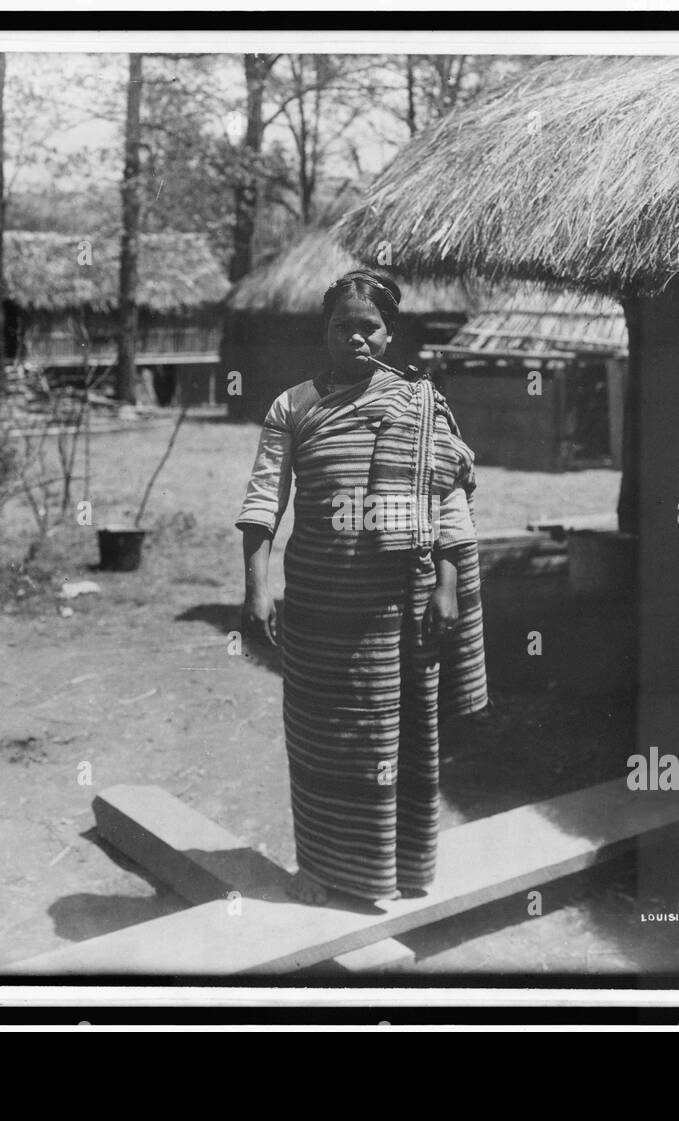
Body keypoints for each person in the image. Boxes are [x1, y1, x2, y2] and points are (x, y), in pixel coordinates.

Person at [236, 269, 488, 905]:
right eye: (343, 326)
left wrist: (449, 585)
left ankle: (400, 872)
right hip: (321, 602)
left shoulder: (420, 405)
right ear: (324, 332)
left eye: (368, 327)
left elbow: (449, 502)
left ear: (389, 332)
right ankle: (326, 868)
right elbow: (265, 501)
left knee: (401, 734)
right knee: (326, 735)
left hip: (399, 601)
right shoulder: (291, 406)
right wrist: (256, 588)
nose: (356, 337)